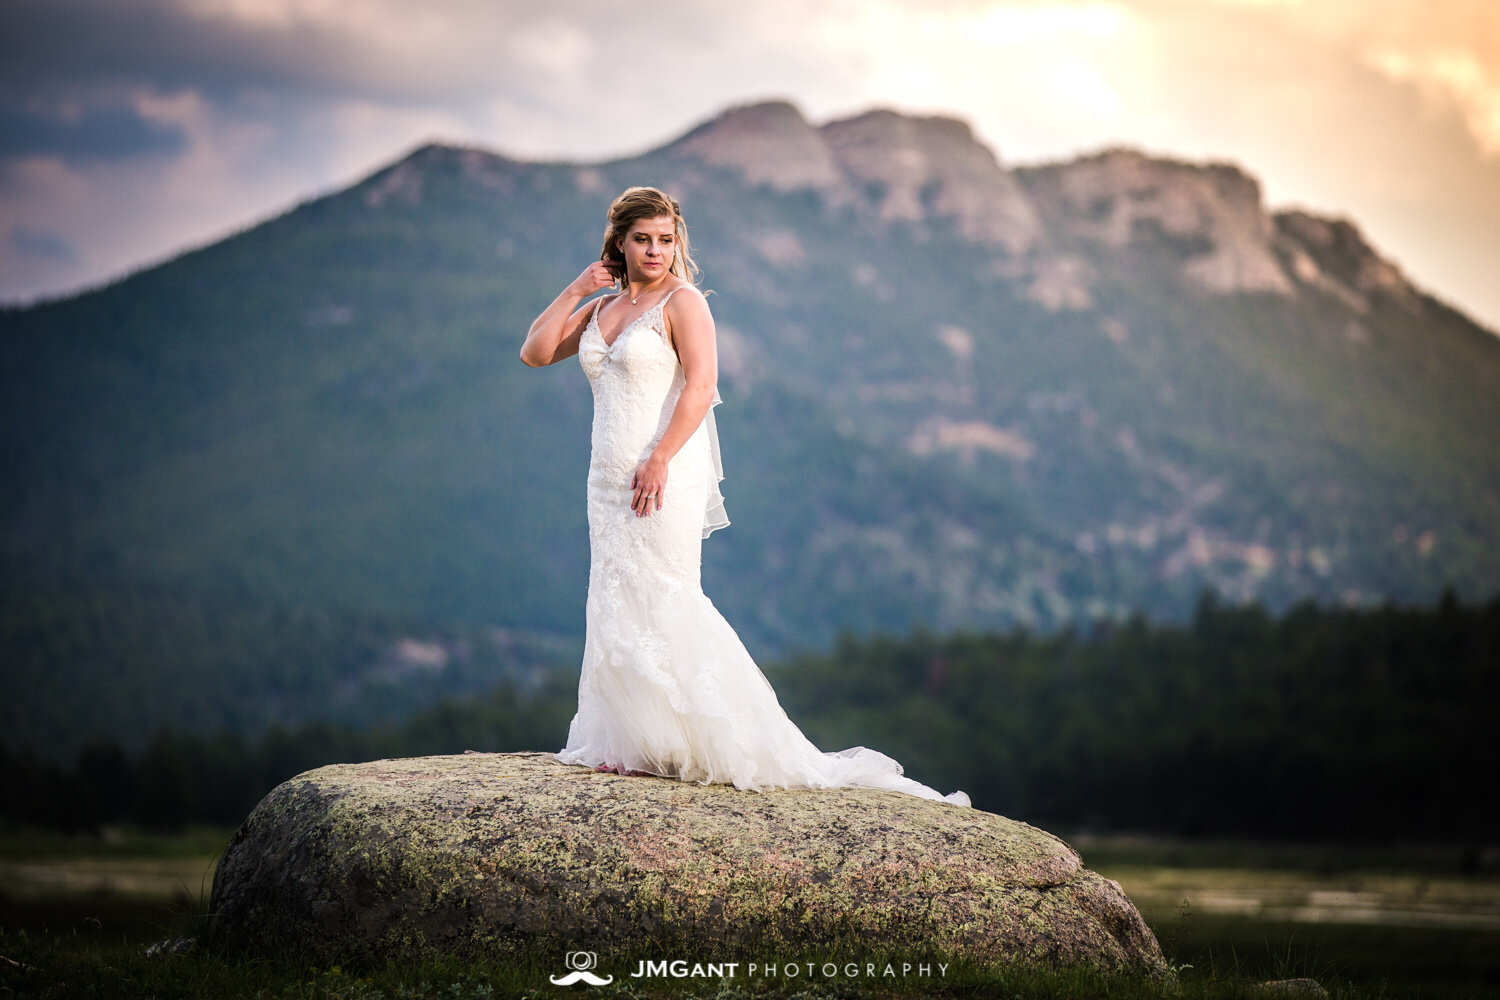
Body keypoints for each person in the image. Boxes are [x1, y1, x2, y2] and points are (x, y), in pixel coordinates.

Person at [519, 186, 971, 808]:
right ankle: (635, 741)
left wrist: (658, 459)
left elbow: (701, 388)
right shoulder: (602, 311)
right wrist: (575, 290)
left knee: (667, 593)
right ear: (619, 243)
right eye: (643, 239)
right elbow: (535, 352)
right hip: (604, 481)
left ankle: (718, 739)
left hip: (661, 473)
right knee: (617, 593)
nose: (655, 251)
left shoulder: (684, 303)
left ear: (678, 243)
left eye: (666, 239)